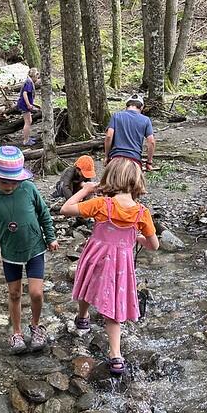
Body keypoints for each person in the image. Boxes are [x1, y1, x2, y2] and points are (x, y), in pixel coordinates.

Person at [60, 158, 159, 375]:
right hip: (120, 266)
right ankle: (116, 355)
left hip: (96, 258)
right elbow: (154, 245)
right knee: (114, 305)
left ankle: (83, 318)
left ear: (109, 178)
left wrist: (87, 189)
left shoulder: (101, 205)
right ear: (136, 182)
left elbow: (65, 209)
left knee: (87, 286)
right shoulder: (142, 213)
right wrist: (139, 238)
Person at [0, 145, 59, 353]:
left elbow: (44, 214)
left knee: (36, 293)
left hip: (34, 247)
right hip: (10, 253)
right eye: (5, 181)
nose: (9, 186)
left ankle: (35, 325)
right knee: (14, 294)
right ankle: (16, 332)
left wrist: (50, 237)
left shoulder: (29, 189)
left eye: (14, 181)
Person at [104, 94, 155, 171]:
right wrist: (149, 162)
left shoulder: (116, 116)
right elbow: (151, 142)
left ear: (127, 106)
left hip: (116, 158)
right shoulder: (146, 120)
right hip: (134, 159)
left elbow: (109, 136)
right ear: (141, 107)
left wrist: (107, 156)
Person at [17, 67, 39, 146]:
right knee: (27, 122)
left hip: (25, 104)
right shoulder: (28, 82)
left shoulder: (29, 81)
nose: (37, 79)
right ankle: (26, 140)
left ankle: (27, 137)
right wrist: (28, 104)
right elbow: (25, 93)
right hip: (24, 104)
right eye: (37, 77)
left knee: (29, 121)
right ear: (34, 75)